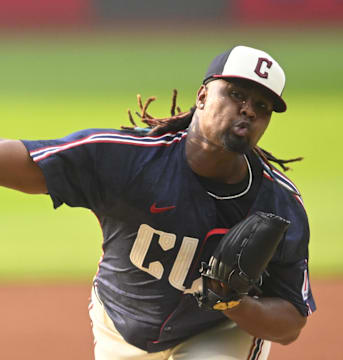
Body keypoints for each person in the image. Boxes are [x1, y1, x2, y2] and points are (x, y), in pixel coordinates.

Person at [0, 45, 316, 360]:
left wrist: (233, 302)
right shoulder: (130, 159)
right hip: (121, 328)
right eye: (235, 94)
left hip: (218, 333)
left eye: (261, 106)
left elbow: (290, 323)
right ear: (203, 96)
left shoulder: (278, 204)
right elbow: (27, 164)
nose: (248, 110)